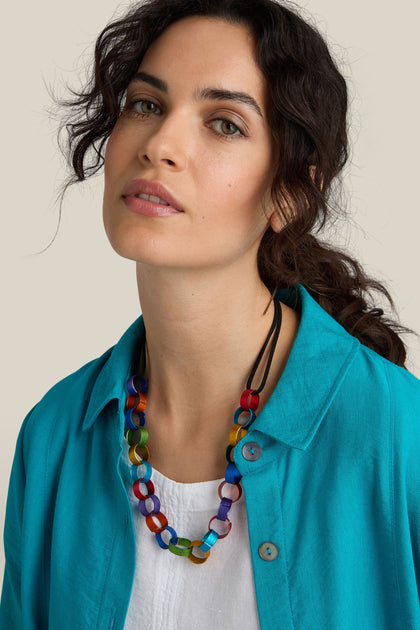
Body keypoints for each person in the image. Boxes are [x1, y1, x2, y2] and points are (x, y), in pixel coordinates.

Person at [1, 0, 419, 628]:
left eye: (224, 123)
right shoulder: (56, 436)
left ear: (292, 193)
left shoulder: (400, 439)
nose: (161, 144)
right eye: (146, 105)